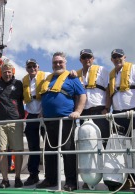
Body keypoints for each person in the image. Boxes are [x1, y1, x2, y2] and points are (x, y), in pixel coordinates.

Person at [36, 52, 86, 191]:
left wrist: (78, 112)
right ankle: (50, 179)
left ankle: (71, 182)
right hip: (48, 121)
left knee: (68, 151)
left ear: (65, 63)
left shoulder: (72, 78)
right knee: (49, 151)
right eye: (55, 62)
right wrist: (42, 111)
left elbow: (82, 95)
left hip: (65, 120)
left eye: (60, 62)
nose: (57, 64)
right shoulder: (48, 79)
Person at [108, 49, 135, 191]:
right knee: (119, 149)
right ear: (111, 59)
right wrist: (106, 109)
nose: (117, 59)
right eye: (114, 57)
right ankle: (124, 180)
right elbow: (109, 94)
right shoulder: (112, 74)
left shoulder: (134, 68)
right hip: (118, 115)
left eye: (119, 56)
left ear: (124, 57)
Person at [76, 49, 110, 189]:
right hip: (84, 113)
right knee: (87, 146)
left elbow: (109, 89)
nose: (86, 59)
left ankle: (111, 177)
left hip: (100, 111)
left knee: (107, 144)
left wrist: (107, 108)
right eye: (84, 57)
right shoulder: (77, 74)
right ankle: (89, 177)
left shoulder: (102, 70)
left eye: (89, 57)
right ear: (80, 59)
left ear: (93, 58)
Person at [0, 62, 25, 188]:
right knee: (1, 151)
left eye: (9, 71)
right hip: (0, 122)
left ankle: (17, 178)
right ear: (1, 73)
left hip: (15, 120)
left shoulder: (19, 84)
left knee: (18, 151)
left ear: (13, 72)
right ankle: (5, 180)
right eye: (5, 71)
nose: (7, 74)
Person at [22, 58, 49, 186]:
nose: (32, 68)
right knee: (33, 147)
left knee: (49, 146)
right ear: (26, 68)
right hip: (31, 116)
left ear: (38, 66)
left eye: (34, 66)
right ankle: (33, 175)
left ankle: (50, 175)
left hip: (45, 115)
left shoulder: (47, 75)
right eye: (29, 67)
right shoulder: (24, 80)